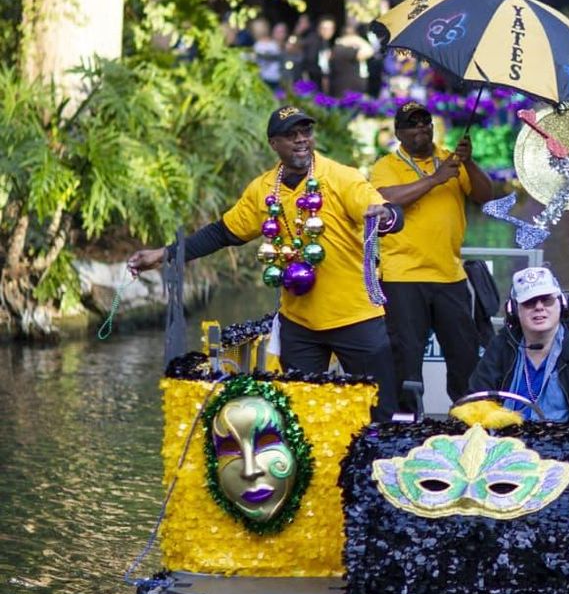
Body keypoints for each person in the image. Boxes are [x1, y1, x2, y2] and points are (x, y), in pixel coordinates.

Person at [126, 106, 405, 421]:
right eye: (291, 135)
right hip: (300, 325)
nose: (301, 140)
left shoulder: (342, 178)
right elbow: (222, 233)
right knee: (301, 417)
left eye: (306, 132)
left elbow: (384, 211)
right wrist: (164, 254)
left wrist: (386, 215)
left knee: (380, 412)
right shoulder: (263, 189)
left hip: (357, 319)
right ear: (274, 144)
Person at [370, 102, 494, 409]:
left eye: (425, 121)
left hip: (450, 275)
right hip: (403, 277)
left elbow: (485, 195)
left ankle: (468, 421)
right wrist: (434, 180)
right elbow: (384, 199)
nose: (421, 128)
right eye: (413, 124)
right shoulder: (386, 165)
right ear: (399, 133)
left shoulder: (450, 160)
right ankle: (405, 426)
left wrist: (470, 162)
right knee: (405, 359)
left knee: (464, 355)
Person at [467, 254, 569, 421]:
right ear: (514, 310)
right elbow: (476, 399)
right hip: (509, 444)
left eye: (546, 300)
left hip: (568, 444)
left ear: (562, 304)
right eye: (529, 302)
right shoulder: (502, 346)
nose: (539, 307)